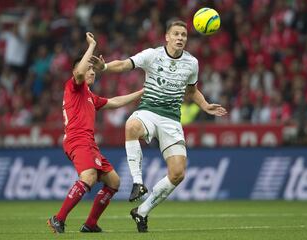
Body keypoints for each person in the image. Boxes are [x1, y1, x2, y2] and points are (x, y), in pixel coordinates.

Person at [90, 20, 227, 232]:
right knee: (131, 126)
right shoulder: (152, 55)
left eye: (184, 35)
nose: (180, 38)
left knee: (178, 173)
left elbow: (191, 90)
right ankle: (137, 182)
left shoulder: (192, 63)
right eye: (176, 34)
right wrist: (105, 67)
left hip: (171, 119)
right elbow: (126, 64)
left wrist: (205, 105)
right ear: (167, 37)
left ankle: (141, 212)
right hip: (149, 111)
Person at [47, 32, 144, 234]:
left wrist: (142, 92)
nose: (92, 72)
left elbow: (115, 102)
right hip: (77, 140)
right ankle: (58, 219)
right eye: (89, 68)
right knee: (89, 176)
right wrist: (91, 46)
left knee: (114, 182)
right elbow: (80, 74)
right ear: (76, 70)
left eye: (94, 69)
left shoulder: (89, 96)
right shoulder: (73, 86)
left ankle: (90, 224)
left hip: (89, 143)